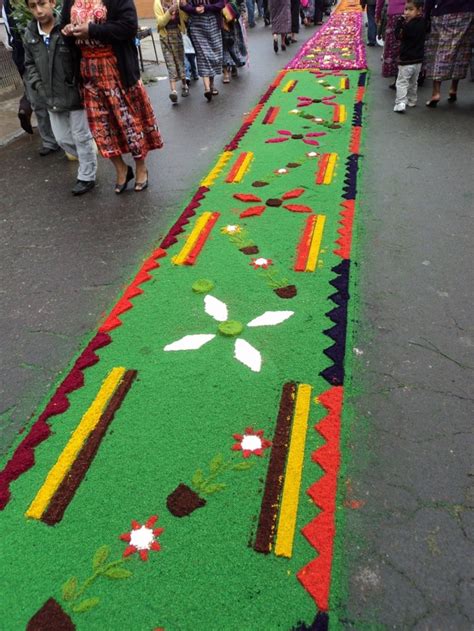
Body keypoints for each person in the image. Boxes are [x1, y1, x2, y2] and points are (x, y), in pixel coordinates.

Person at [61, 0, 163, 193]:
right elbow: (63, 27)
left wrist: (92, 30)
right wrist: (67, 31)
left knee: (129, 122)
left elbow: (129, 26)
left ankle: (141, 167)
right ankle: (121, 168)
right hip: (88, 71)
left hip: (116, 68)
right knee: (101, 127)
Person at [23, 0, 97, 194]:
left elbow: (82, 54)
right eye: (33, 6)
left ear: (52, 2)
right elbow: (29, 64)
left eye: (42, 4)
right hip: (50, 97)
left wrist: (82, 82)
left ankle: (87, 176)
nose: (39, 10)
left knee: (81, 137)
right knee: (63, 139)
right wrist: (39, 87)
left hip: (74, 93)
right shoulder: (30, 33)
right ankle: (89, 155)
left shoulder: (66, 26)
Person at [3, 0, 59, 153]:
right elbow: (12, 29)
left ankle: (65, 137)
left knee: (60, 99)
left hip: (48, 50)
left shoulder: (38, 6)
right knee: (38, 101)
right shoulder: (9, 6)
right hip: (25, 55)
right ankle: (49, 141)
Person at [424, 0, 474, 106]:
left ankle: (436, 92)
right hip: (467, 11)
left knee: (439, 49)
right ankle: (453, 89)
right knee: (460, 49)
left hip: (443, 11)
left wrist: (426, 14)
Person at [181, 0, 224, 101]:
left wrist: (206, 7)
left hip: (213, 23)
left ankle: (211, 85)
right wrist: (194, 9)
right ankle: (207, 89)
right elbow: (182, 5)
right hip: (196, 25)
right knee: (203, 55)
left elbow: (221, 3)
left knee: (213, 55)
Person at [393, 0, 426, 112]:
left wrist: (399, 22)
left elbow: (398, 36)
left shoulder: (407, 25)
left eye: (411, 9)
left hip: (406, 60)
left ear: (419, 10)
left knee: (402, 82)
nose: (406, 12)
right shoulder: (423, 22)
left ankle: (401, 102)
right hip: (418, 60)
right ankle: (412, 100)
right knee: (413, 82)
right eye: (406, 9)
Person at [154, 0, 188, 103]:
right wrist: (169, 12)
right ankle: (173, 91)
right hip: (165, 36)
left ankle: (184, 85)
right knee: (170, 62)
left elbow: (185, 18)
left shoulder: (177, 1)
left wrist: (184, 6)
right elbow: (160, 22)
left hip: (176, 34)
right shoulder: (157, 3)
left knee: (179, 60)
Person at [376, 0, 405, 80]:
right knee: (404, 45)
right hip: (409, 12)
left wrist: (377, 14)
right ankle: (403, 75)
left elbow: (380, 2)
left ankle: (395, 74)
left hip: (394, 15)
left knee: (392, 46)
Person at [222, 0, 247, 82]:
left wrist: (243, 12)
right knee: (223, 46)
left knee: (232, 42)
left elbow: (240, 1)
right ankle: (226, 69)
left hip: (232, 16)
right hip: (218, 17)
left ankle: (233, 66)